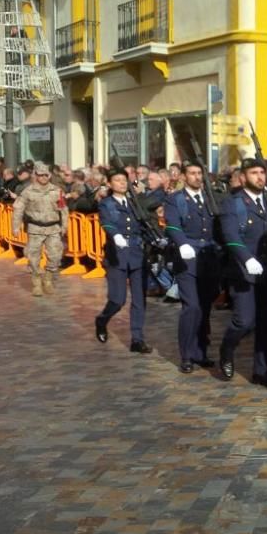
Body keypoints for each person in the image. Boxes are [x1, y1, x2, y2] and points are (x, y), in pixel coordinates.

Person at [216, 158, 267, 387]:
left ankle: (261, 371)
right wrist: (246, 259)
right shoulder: (232, 203)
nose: (260, 177)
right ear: (243, 177)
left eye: (262, 173)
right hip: (244, 271)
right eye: (254, 173)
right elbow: (231, 236)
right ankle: (227, 348)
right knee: (244, 321)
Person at [163, 160, 221, 374]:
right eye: (193, 173)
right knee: (192, 306)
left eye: (200, 173)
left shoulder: (210, 198)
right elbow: (172, 225)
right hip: (187, 257)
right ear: (184, 177)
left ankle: (201, 352)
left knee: (205, 307)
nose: (197, 177)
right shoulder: (176, 200)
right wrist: (182, 243)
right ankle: (187, 355)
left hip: (209, 257)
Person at [94, 169, 153, 355]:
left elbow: (145, 222)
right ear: (109, 184)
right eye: (117, 180)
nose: (121, 183)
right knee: (117, 300)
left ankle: (137, 339)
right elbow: (107, 223)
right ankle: (102, 320)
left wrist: (156, 238)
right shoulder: (106, 204)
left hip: (136, 254)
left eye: (124, 180)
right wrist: (116, 235)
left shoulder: (134, 202)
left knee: (139, 299)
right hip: (117, 255)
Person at [11, 162, 67, 297]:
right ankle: (36, 282)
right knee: (33, 256)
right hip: (35, 228)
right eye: (40, 175)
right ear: (36, 175)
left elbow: (64, 209)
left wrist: (65, 225)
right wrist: (15, 226)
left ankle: (47, 279)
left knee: (56, 256)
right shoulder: (28, 192)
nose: (43, 178)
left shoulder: (57, 191)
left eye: (46, 175)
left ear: (49, 175)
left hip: (53, 228)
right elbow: (18, 209)